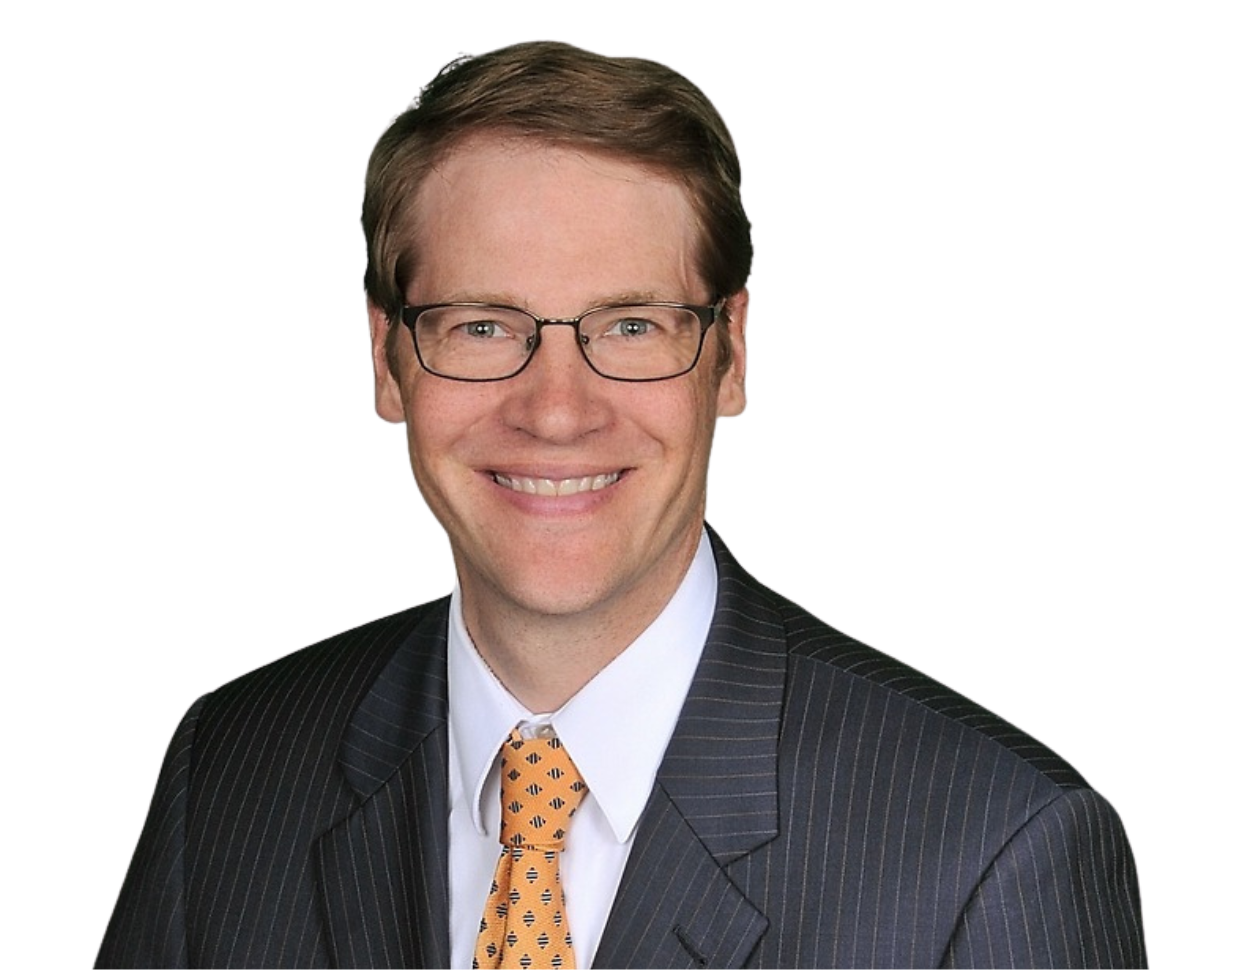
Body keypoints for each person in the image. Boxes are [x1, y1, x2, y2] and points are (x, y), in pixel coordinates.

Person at [96, 41, 1146, 970]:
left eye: (631, 326)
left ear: (730, 355)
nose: (555, 411)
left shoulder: (996, 843)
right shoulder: (225, 767)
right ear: (384, 359)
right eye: (481, 326)